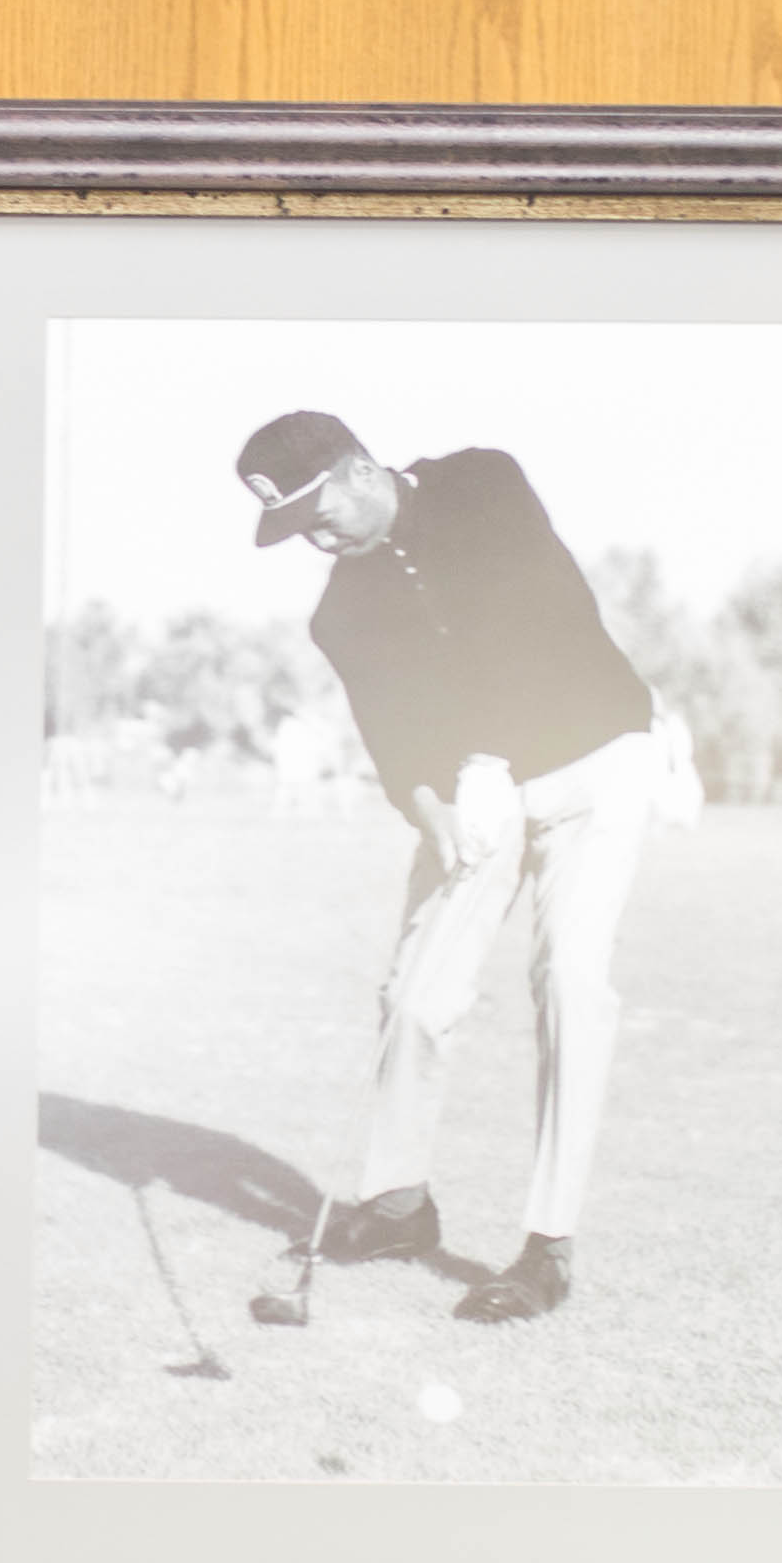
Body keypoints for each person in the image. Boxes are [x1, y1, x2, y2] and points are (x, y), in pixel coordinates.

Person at [228, 408, 671, 1323]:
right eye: (294, 527)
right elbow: (396, 745)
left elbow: (537, 619)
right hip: (477, 795)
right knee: (415, 997)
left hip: (596, 758)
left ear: (358, 470)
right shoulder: (341, 612)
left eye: (318, 512)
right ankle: (398, 1205)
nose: (314, 537)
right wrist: (436, 816)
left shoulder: (483, 482)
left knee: (569, 982)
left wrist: (481, 761)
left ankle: (547, 1247)